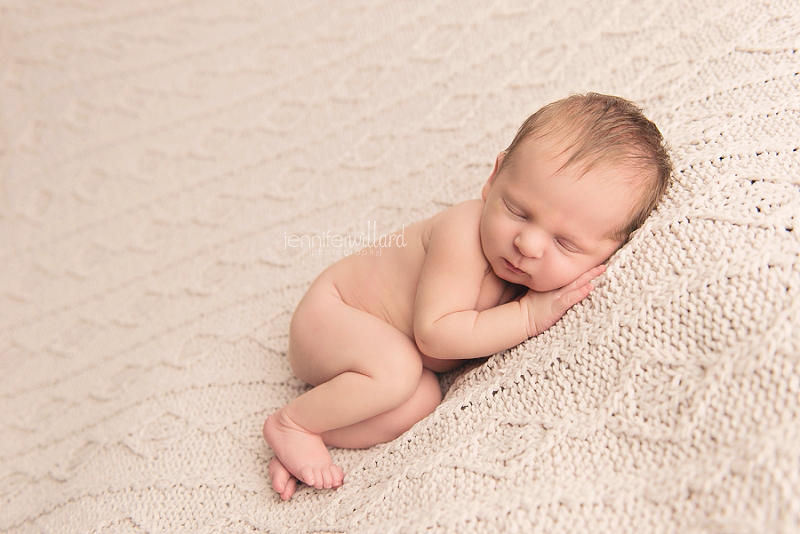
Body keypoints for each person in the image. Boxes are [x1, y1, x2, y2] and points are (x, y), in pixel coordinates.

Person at [263, 93, 672, 500]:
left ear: (610, 254)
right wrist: (528, 316)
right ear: (494, 177)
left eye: (565, 243)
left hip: (372, 357)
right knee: (398, 368)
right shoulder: (464, 230)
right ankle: (293, 423)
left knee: (421, 400)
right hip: (330, 317)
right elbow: (436, 336)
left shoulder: (529, 266)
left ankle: (310, 431)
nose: (527, 244)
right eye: (518, 211)